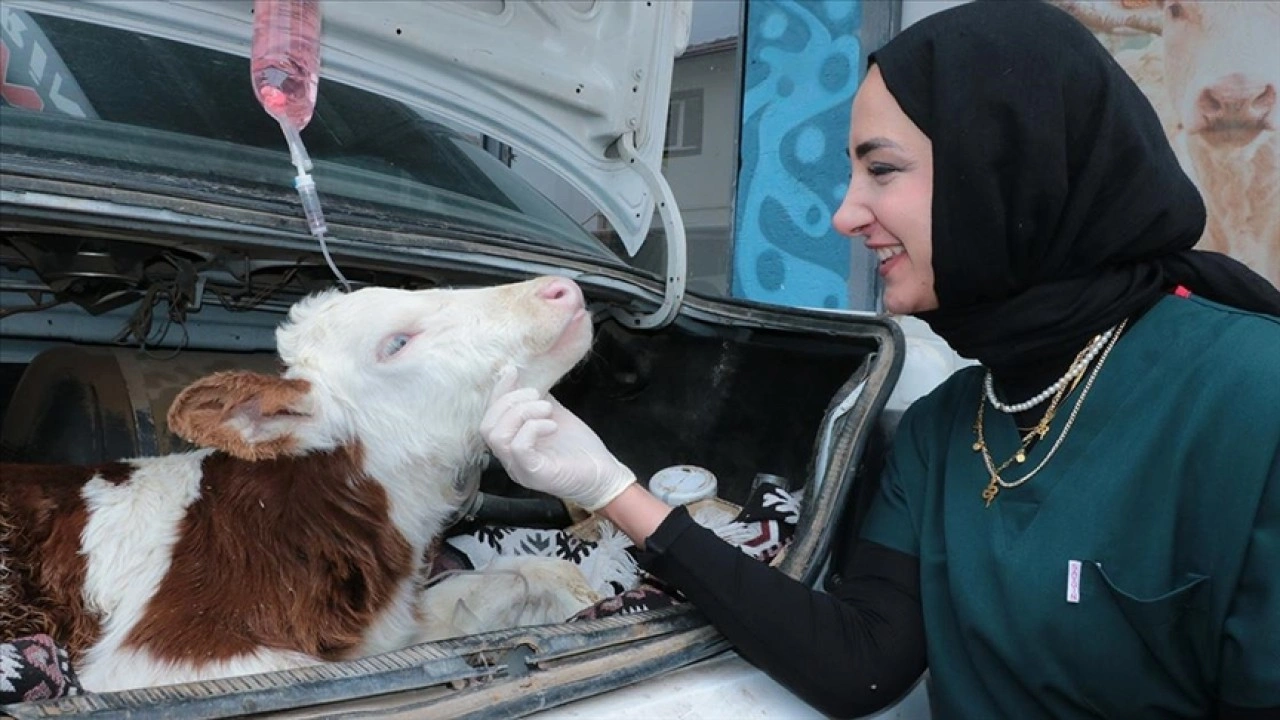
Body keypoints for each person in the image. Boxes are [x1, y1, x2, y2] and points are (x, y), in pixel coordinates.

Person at [480, 2, 1280, 718]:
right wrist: (609, 488)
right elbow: (860, 665)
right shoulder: (948, 424)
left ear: (1009, 166)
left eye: (882, 168)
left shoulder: (1252, 395)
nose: (844, 213)